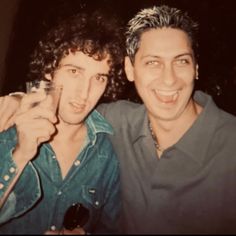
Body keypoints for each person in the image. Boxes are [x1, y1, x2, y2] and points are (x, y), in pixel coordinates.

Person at [1, 4, 236, 234]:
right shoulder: (116, 123)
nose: (169, 79)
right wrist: (19, 103)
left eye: (181, 61)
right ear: (130, 69)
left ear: (196, 67)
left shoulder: (108, 140)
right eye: (153, 62)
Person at [0, 9, 126, 234]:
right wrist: (20, 156)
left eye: (99, 78)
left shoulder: (108, 154)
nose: (84, 93)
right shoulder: (7, 126)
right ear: (50, 71)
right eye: (74, 71)